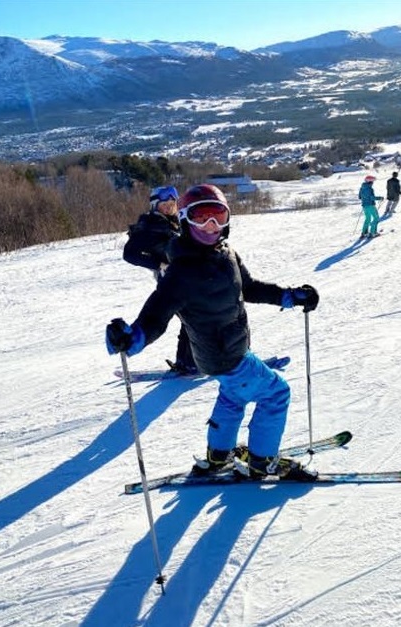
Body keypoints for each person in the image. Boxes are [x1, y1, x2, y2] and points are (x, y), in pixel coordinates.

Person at [106, 184, 319, 481]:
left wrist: (289, 296)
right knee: (276, 393)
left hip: (220, 352)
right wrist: (132, 337)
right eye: (201, 217)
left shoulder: (226, 253)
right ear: (184, 219)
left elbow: (249, 288)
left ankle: (218, 456)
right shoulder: (181, 271)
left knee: (233, 396)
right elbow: (156, 315)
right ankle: (263, 461)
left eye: (218, 216)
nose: (210, 225)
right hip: (226, 355)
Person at [123, 185, 197, 375]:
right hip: (171, 283)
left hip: (187, 280)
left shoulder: (176, 223)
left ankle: (187, 361)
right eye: (164, 204)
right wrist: (158, 263)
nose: (169, 207)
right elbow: (129, 254)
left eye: (172, 203)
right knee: (193, 318)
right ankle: (189, 363)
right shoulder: (149, 225)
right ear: (155, 206)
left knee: (192, 320)